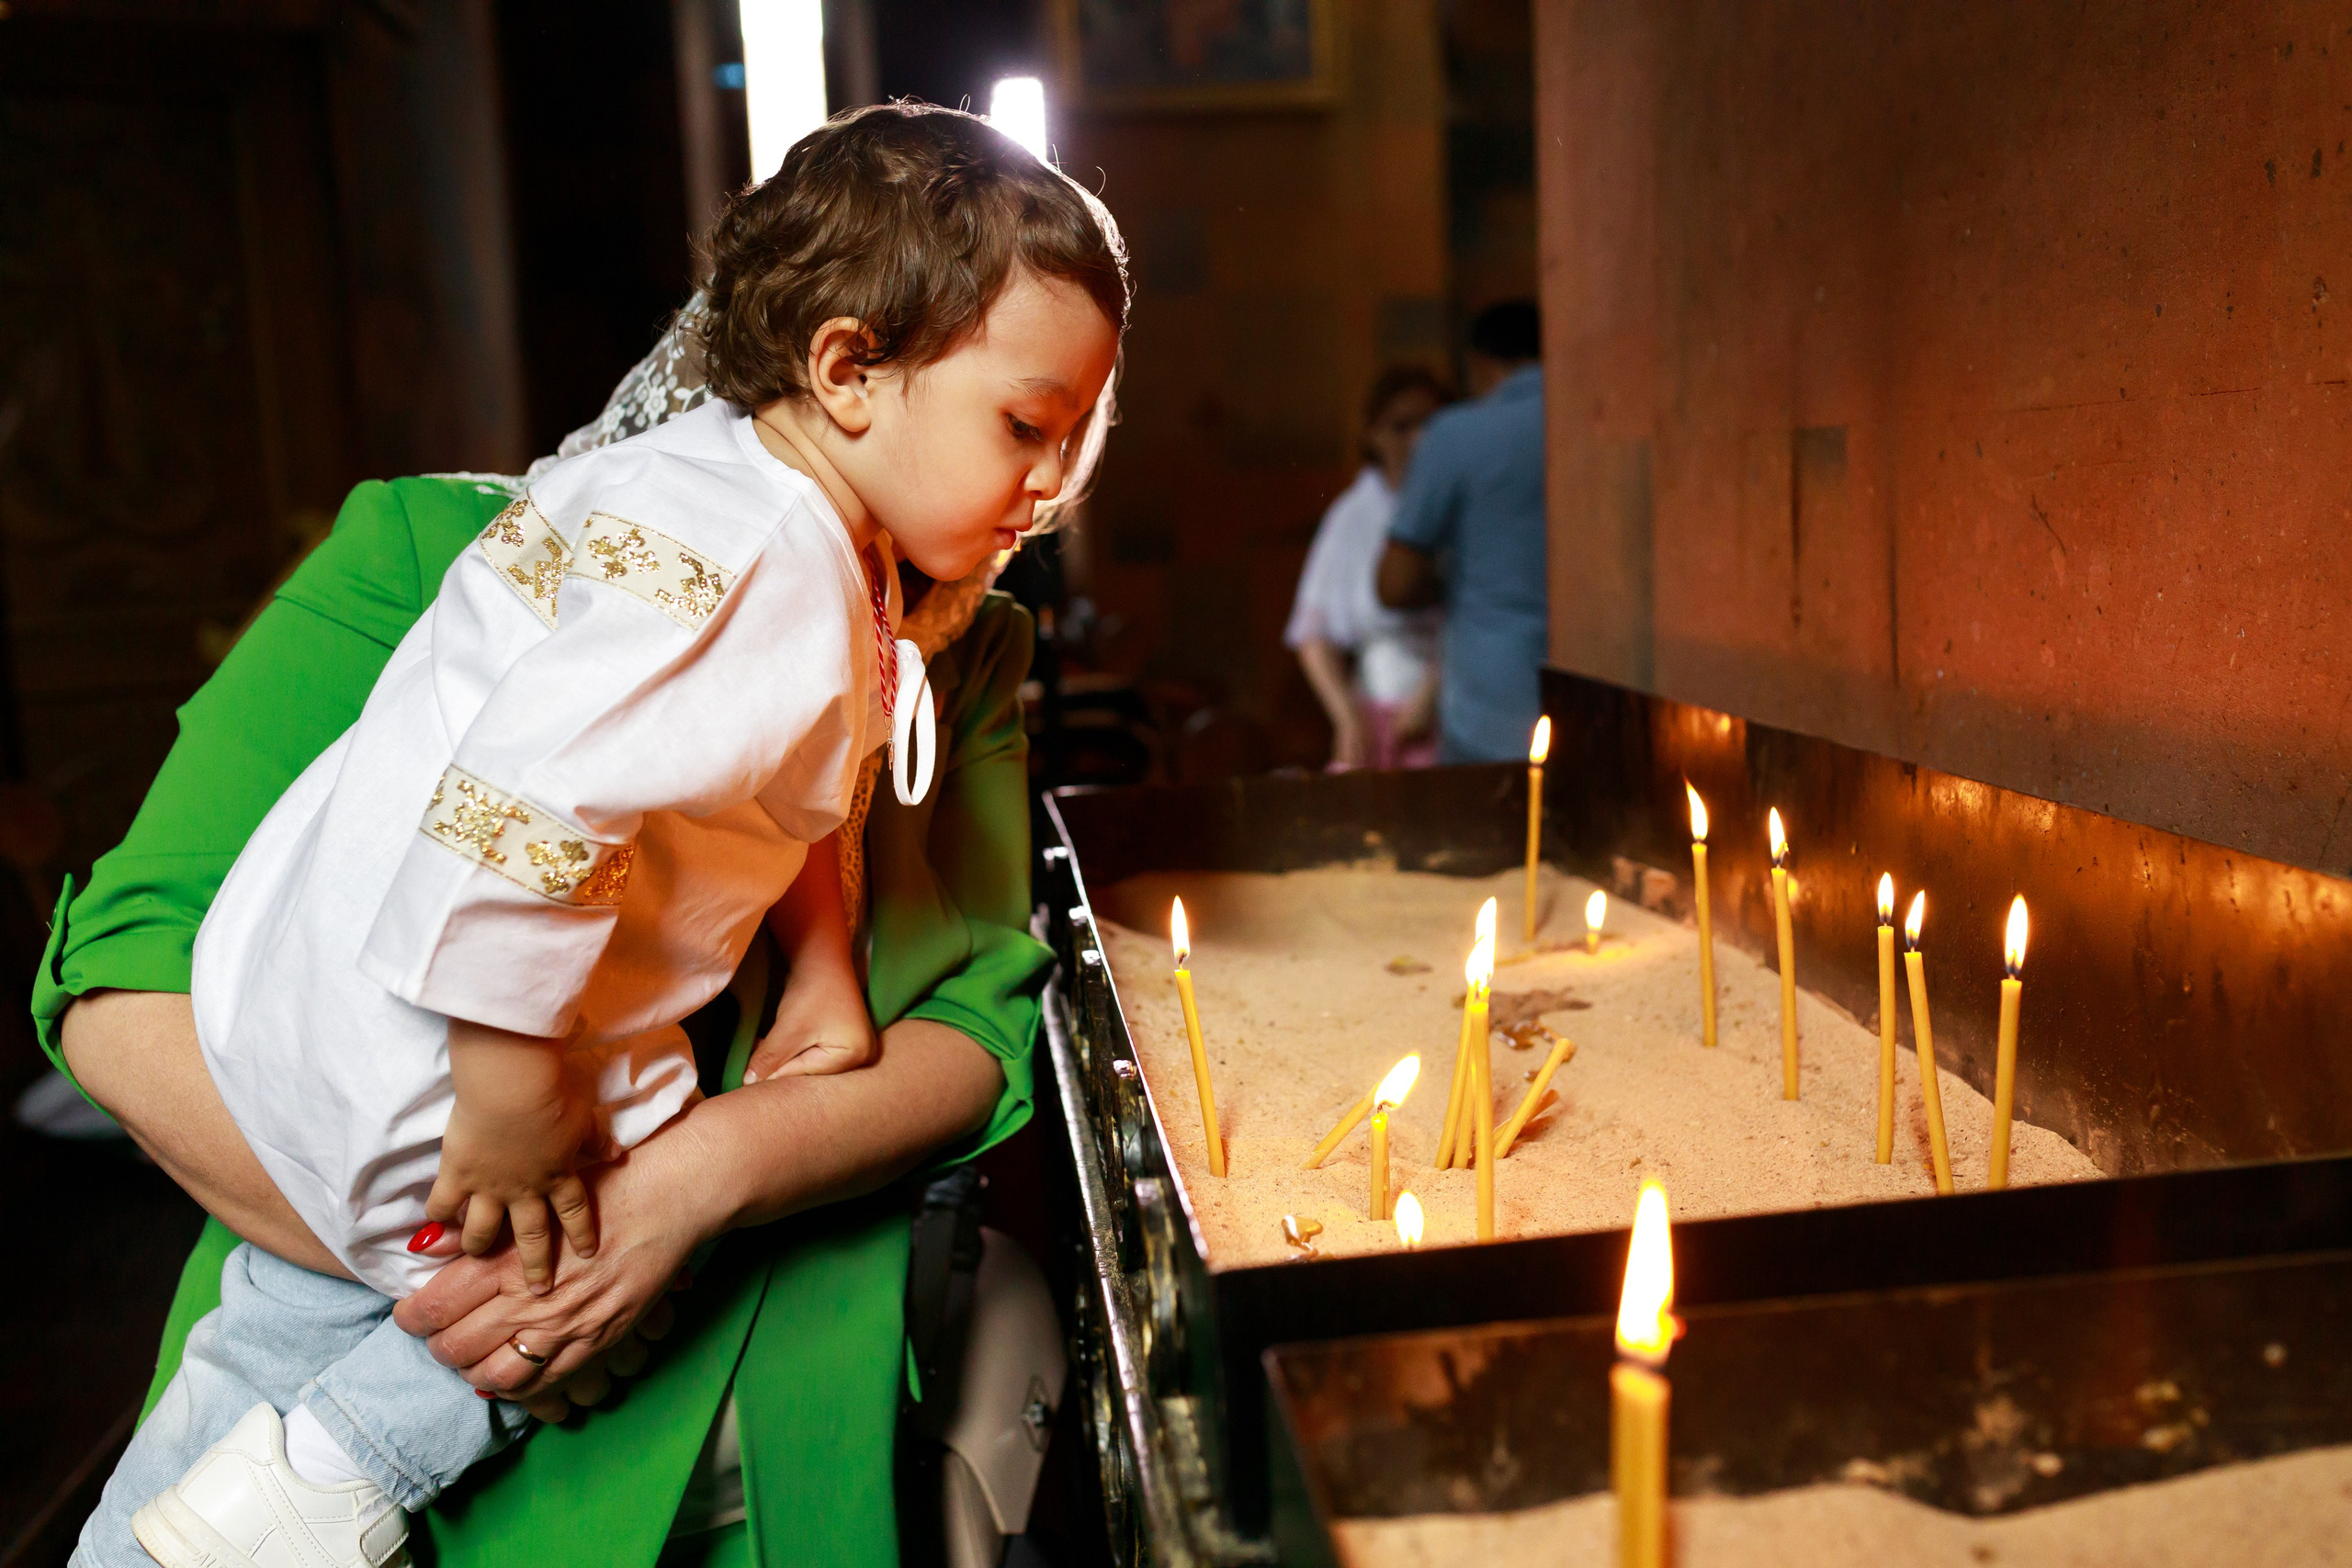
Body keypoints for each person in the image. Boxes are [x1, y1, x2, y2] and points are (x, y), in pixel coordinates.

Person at [50, 101, 1126, 1568]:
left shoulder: (724, 513)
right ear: (848, 365)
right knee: (563, 1202)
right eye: (1027, 427)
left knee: (238, 1410)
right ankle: (353, 1457)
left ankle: (154, 1533)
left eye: (1077, 434)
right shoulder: (768, 576)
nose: (1056, 483)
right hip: (441, 1072)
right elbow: (531, 805)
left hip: (334, 1025)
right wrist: (522, 1114)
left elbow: (793, 793)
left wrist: (819, 970)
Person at [1376, 299, 1547, 762]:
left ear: (1479, 364)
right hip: (1598, 693)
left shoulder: (1457, 435)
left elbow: (1395, 583)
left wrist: (1451, 577)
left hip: (1489, 712)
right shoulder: (1596, 422)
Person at [1284, 367, 1448, 771]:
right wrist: (1346, 716)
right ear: (1373, 435)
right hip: (1372, 714)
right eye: (1401, 426)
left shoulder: (1456, 507)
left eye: (1430, 424)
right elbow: (1313, 636)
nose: (1418, 440)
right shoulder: (1353, 515)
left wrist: (1431, 693)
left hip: (1446, 707)